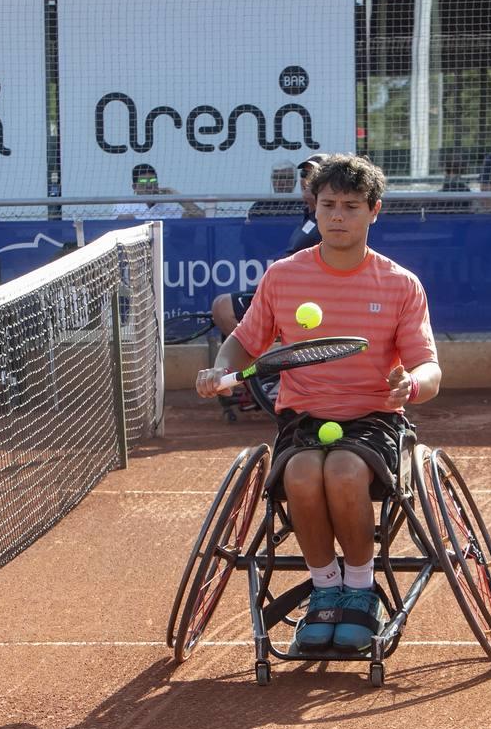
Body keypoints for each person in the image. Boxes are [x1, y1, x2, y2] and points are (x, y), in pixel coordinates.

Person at [195, 154, 441, 652]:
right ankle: (325, 588)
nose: (337, 216)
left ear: (374, 211)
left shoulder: (400, 284)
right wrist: (222, 369)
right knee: (304, 475)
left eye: (351, 206)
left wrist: (409, 386)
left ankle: (360, 589)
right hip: (303, 417)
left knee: (346, 472)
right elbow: (244, 343)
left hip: (374, 418)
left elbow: (429, 369)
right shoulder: (284, 276)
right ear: (314, 207)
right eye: (328, 204)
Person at [211, 153, 327, 337]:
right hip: (279, 287)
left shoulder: (326, 220)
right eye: (304, 175)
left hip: (296, 296)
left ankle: (263, 363)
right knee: (219, 306)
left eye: (313, 175)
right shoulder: (308, 216)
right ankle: (258, 360)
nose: (306, 180)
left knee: (224, 308)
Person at [111, 163, 203, 219]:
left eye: (152, 181)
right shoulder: (124, 206)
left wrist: (175, 195)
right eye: (143, 182)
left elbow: (201, 216)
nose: (149, 186)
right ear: (134, 187)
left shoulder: (168, 208)